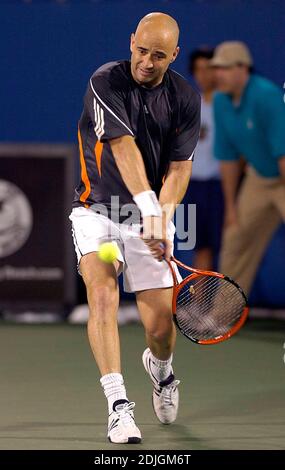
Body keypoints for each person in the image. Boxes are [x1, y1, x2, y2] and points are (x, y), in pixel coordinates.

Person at [69, 12, 200, 444]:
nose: (147, 61)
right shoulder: (105, 81)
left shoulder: (184, 95)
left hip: (147, 216)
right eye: (141, 50)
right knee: (102, 294)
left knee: (161, 330)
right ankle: (118, 406)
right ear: (131, 43)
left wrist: (161, 215)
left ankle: (161, 372)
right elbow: (123, 149)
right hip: (97, 210)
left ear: (174, 55)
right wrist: (150, 210)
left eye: (158, 55)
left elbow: (180, 168)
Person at [211, 41, 285, 295]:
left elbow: (283, 154)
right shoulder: (220, 101)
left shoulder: (268, 96)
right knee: (235, 238)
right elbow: (228, 158)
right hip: (259, 178)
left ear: (243, 69)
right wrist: (231, 207)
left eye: (224, 68)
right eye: (215, 68)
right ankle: (222, 318)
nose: (217, 74)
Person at [185, 47, 223, 270]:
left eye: (208, 69)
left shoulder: (226, 106)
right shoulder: (189, 105)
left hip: (220, 187)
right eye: (198, 69)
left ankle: (225, 302)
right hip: (192, 186)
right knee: (201, 247)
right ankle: (201, 304)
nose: (203, 75)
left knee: (225, 246)